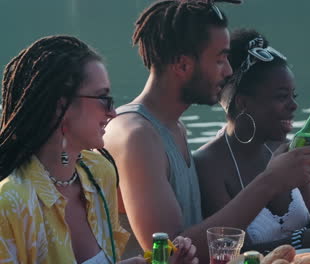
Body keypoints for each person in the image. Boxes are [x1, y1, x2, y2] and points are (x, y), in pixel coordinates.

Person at [103, 0, 310, 262]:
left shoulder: (174, 128)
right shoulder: (135, 135)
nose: (228, 71)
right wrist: (270, 182)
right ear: (183, 66)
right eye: (219, 60)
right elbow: (170, 253)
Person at [0, 35, 196, 264]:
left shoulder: (99, 174)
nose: (112, 112)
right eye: (103, 98)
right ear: (61, 106)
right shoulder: (11, 203)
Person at [194, 29, 310, 252]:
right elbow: (234, 252)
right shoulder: (208, 164)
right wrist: (302, 240)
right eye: (282, 97)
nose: (294, 106)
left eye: (294, 96)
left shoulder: (285, 150)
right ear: (243, 103)